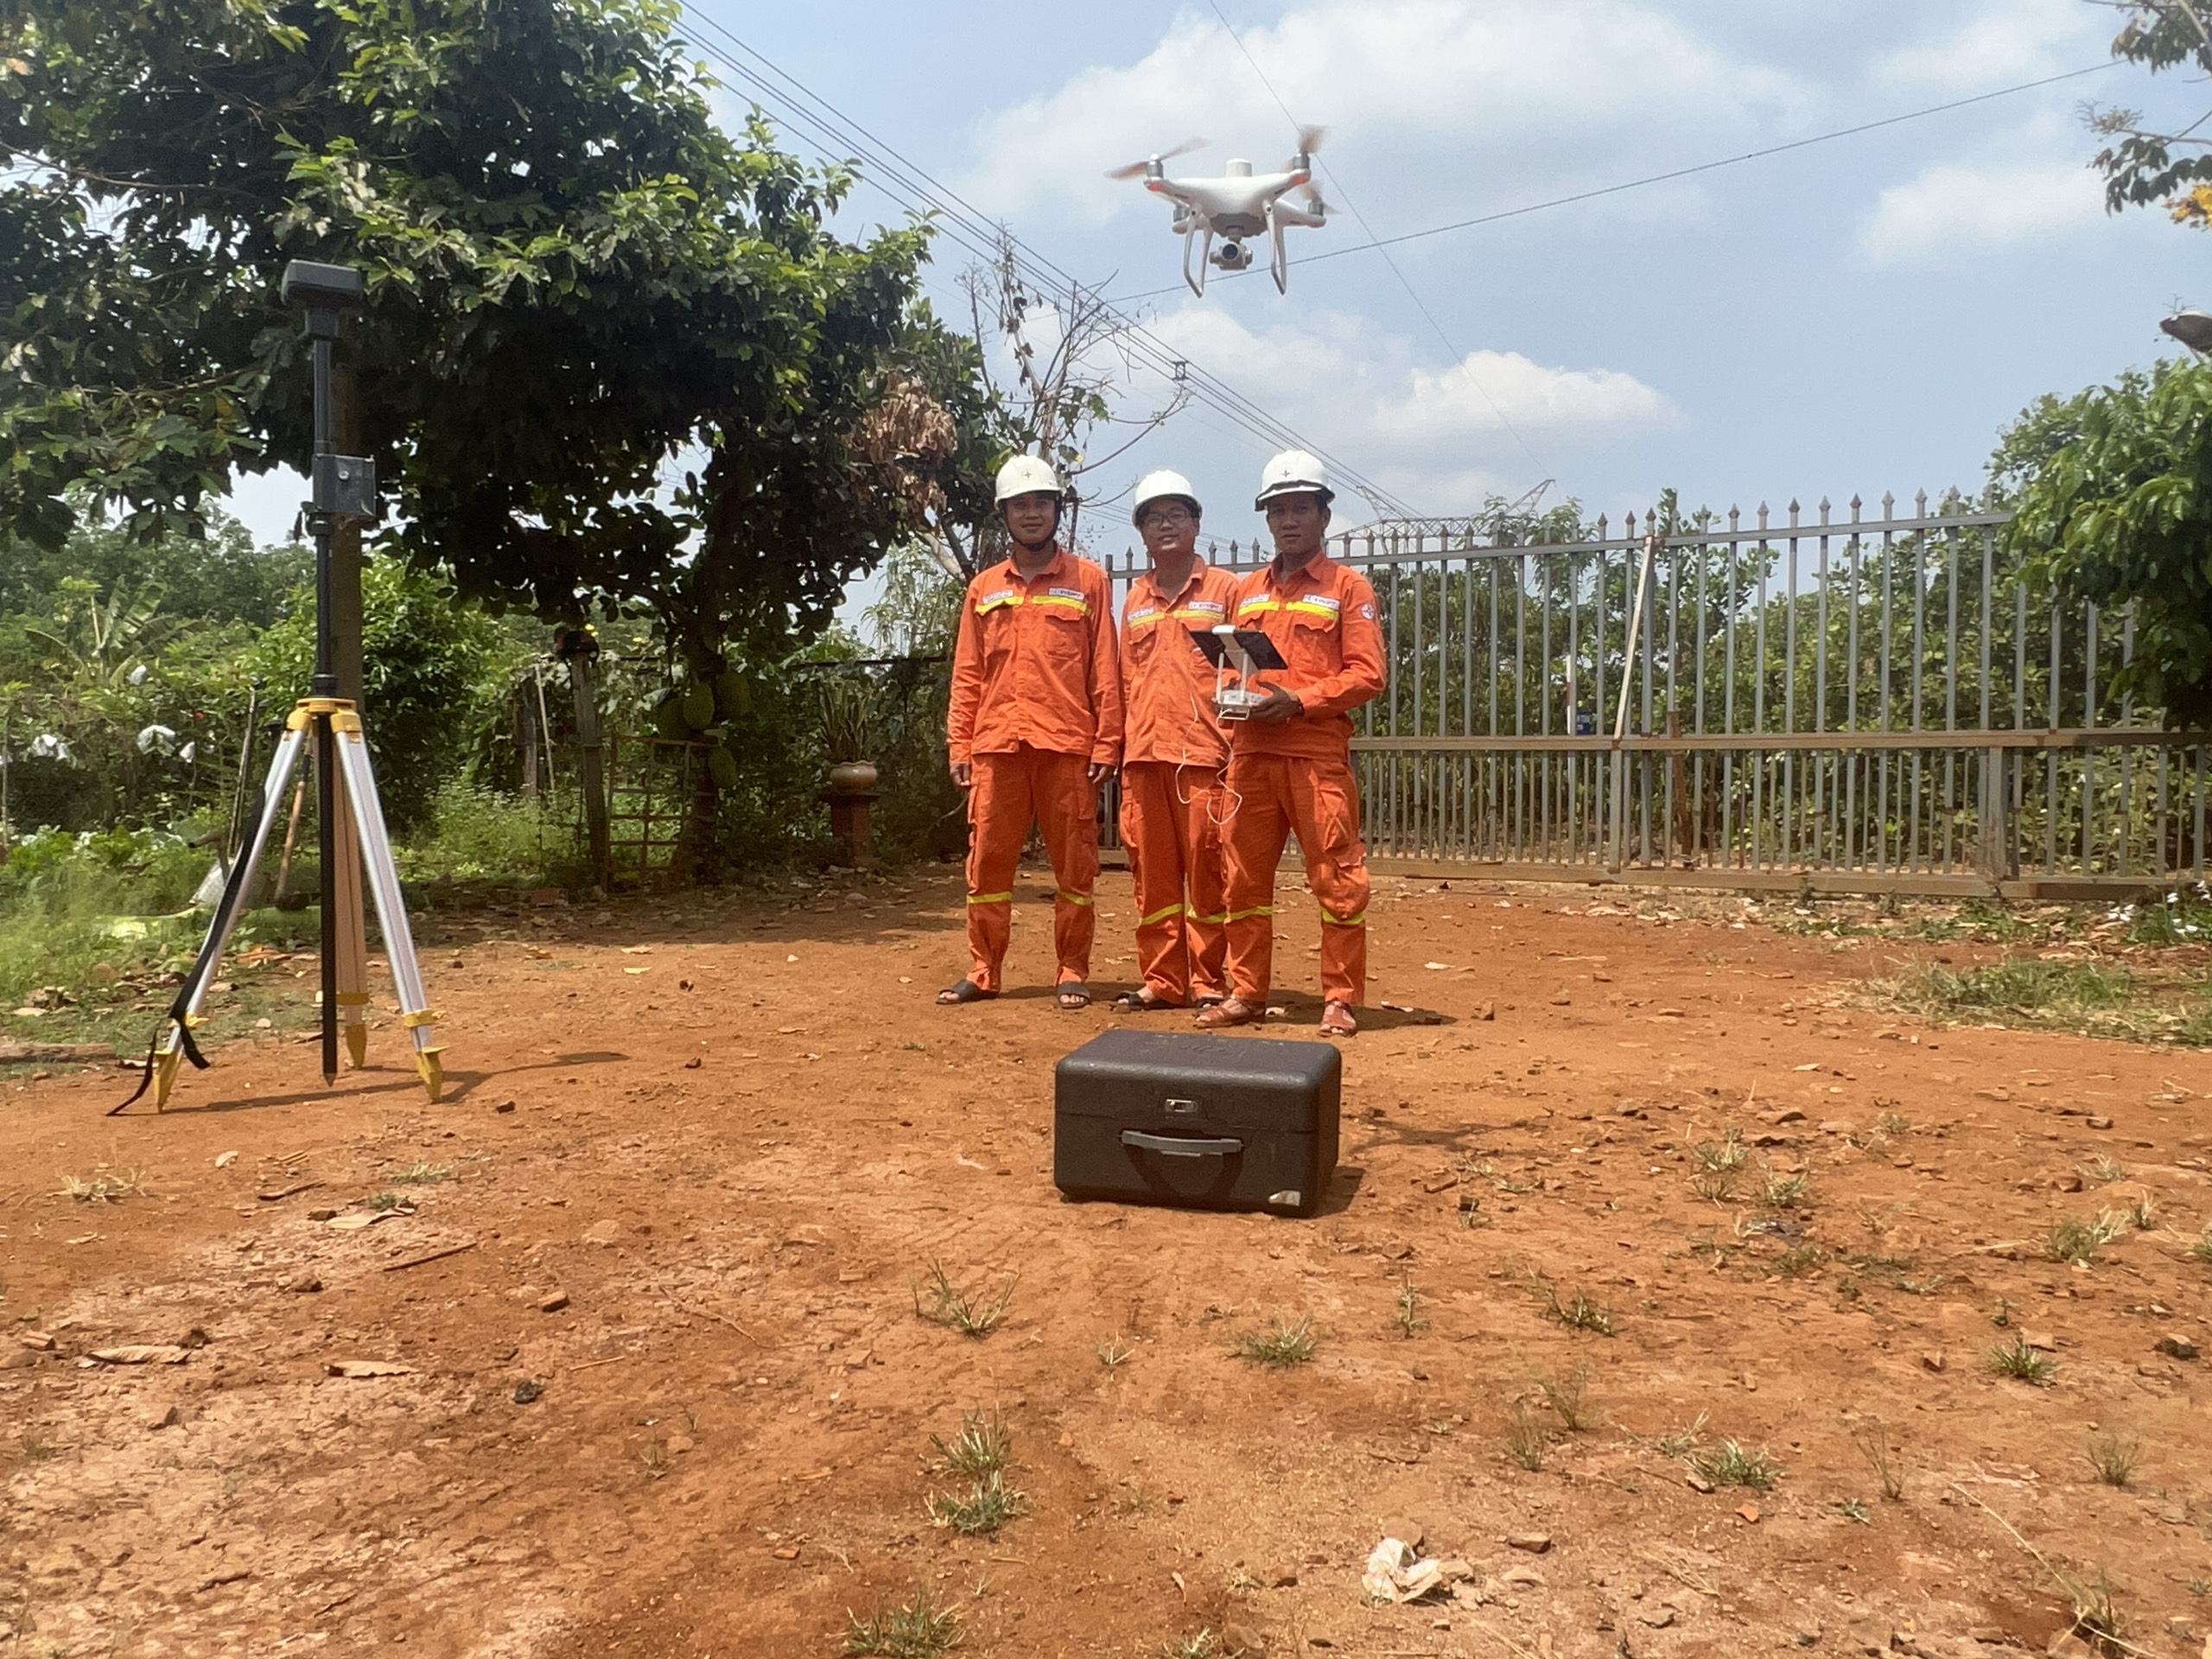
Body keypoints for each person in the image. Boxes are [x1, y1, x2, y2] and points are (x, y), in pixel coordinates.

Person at [1198, 449, 1386, 1038]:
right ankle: (1246, 992)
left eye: (1301, 509)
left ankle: (1340, 998)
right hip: (1252, 754)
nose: (1289, 521)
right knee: (1242, 879)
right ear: (1267, 519)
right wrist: (1229, 695)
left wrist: (1299, 701)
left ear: (1324, 516)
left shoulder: (1347, 588)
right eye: (1278, 511)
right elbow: (1234, 664)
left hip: (1314, 756)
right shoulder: (1247, 590)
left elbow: (1368, 674)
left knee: (1337, 877)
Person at [942, 455, 1122, 1010]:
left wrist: (1108, 739)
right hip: (996, 746)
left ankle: (1071, 970)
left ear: (1056, 510)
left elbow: (1104, 667)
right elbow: (968, 672)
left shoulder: (1088, 582)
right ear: (1004, 515)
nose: (1032, 513)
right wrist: (959, 743)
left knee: (1075, 866)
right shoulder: (983, 588)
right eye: (1020, 505)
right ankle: (984, 970)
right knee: (987, 866)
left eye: (1041, 502)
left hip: (1067, 745)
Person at [1113, 469, 1240, 1011]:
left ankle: (1208, 981)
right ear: (1141, 531)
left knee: (1208, 874)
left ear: (1196, 524)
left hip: (1205, 757)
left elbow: (1245, 674)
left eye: (1176, 515)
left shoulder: (1226, 592)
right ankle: (1163, 980)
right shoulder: (1134, 600)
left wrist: (1234, 746)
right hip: (1144, 757)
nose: (1166, 526)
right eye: (1154, 518)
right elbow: (1123, 679)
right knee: (1153, 875)